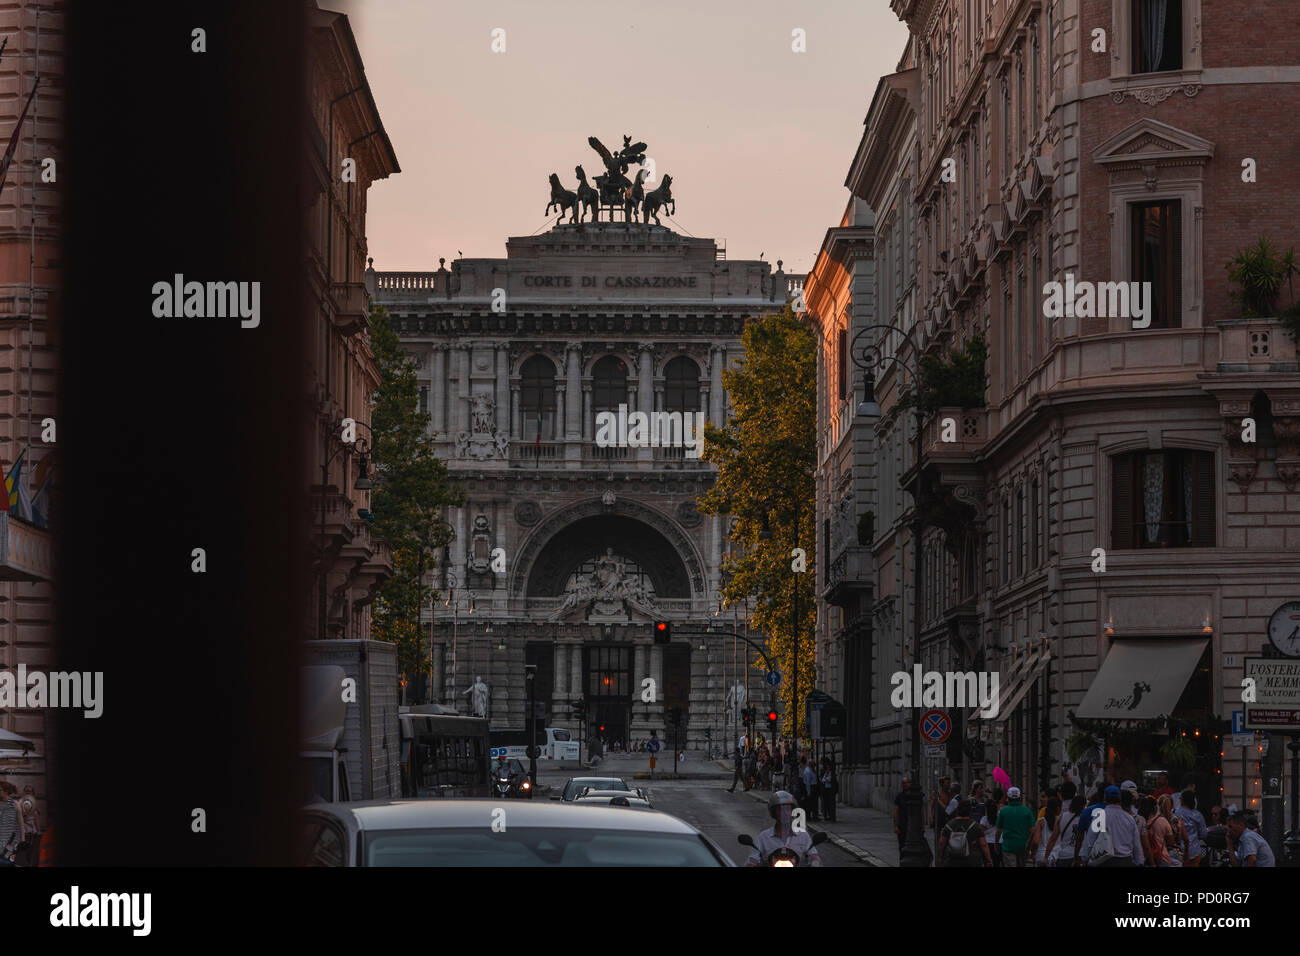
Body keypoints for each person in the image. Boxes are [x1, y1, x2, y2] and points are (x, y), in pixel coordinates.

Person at [746, 791, 822, 867]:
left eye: (788, 809)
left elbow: (813, 854)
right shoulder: (763, 837)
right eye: (780, 810)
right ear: (773, 813)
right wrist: (751, 864)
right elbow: (753, 858)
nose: (784, 813)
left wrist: (815, 862)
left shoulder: (802, 835)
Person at [1079, 785, 1144, 867]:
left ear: (1105, 799)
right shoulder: (1129, 819)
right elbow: (1136, 844)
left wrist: (1084, 858)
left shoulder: (1100, 816)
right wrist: (1139, 861)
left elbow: (1090, 840)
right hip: (1125, 861)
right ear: (1120, 800)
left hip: (1104, 861)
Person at [938, 799, 992, 867]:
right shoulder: (975, 826)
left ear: (957, 811)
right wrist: (989, 859)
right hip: (972, 860)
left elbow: (941, 843)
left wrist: (940, 858)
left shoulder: (949, 825)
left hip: (953, 860)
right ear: (970, 811)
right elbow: (983, 844)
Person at [994, 786, 1036, 867]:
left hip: (1008, 846)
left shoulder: (1003, 811)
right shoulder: (1027, 811)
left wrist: (996, 844)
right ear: (1020, 798)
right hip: (1023, 846)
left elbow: (998, 830)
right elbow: (1033, 830)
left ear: (1008, 798)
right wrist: (1029, 844)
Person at [1044, 794, 1085, 867]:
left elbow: (1053, 839)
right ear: (1083, 806)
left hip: (1063, 856)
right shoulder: (1085, 818)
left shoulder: (1062, 817)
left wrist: (1046, 857)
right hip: (1080, 855)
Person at [1175, 789, 1208, 868]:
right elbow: (1203, 834)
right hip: (1193, 851)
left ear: (1182, 800)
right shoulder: (1198, 815)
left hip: (1177, 851)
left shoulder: (1175, 813)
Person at [1120, 786, 1152, 866]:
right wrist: (1152, 863)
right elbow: (1146, 846)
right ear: (1132, 802)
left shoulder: (1113, 818)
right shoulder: (1140, 820)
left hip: (1115, 858)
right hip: (1133, 859)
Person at [1029, 796, 1061, 866]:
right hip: (1057, 856)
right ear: (1058, 808)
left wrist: (1032, 852)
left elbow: (1036, 841)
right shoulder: (1061, 821)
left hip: (1042, 856)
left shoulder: (1040, 822)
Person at [0, 782, 24, 866]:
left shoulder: (15, 804)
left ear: (6, 791)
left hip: (11, 843)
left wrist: (22, 842)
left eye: (0, 790)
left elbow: (21, 825)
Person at [981, 791, 1005, 867]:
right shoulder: (1000, 816)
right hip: (1000, 842)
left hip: (988, 843)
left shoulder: (984, 819)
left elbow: (981, 831)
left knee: (988, 863)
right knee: (998, 862)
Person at [893, 777, 913, 859]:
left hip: (912, 826)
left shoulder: (914, 795)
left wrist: (922, 826)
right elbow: (896, 812)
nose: (905, 785)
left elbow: (921, 811)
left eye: (907, 782)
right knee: (902, 846)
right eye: (903, 783)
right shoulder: (899, 796)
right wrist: (896, 826)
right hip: (902, 826)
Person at [801, 756, 820, 821]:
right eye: (813, 764)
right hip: (811, 788)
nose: (814, 765)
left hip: (814, 787)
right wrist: (808, 792)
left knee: (814, 803)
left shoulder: (811, 770)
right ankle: (809, 817)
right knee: (810, 804)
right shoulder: (808, 771)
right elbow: (808, 782)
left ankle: (814, 816)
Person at [819, 757, 837, 823]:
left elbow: (829, 780)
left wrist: (825, 779)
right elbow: (823, 780)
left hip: (830, 790)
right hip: (825, 789)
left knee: (830, 803)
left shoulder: (831, 773)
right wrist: (825, 778)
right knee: (826, 803)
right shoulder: (825, 772)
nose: (827, 768)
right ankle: (826, 815)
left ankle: (831, 816)